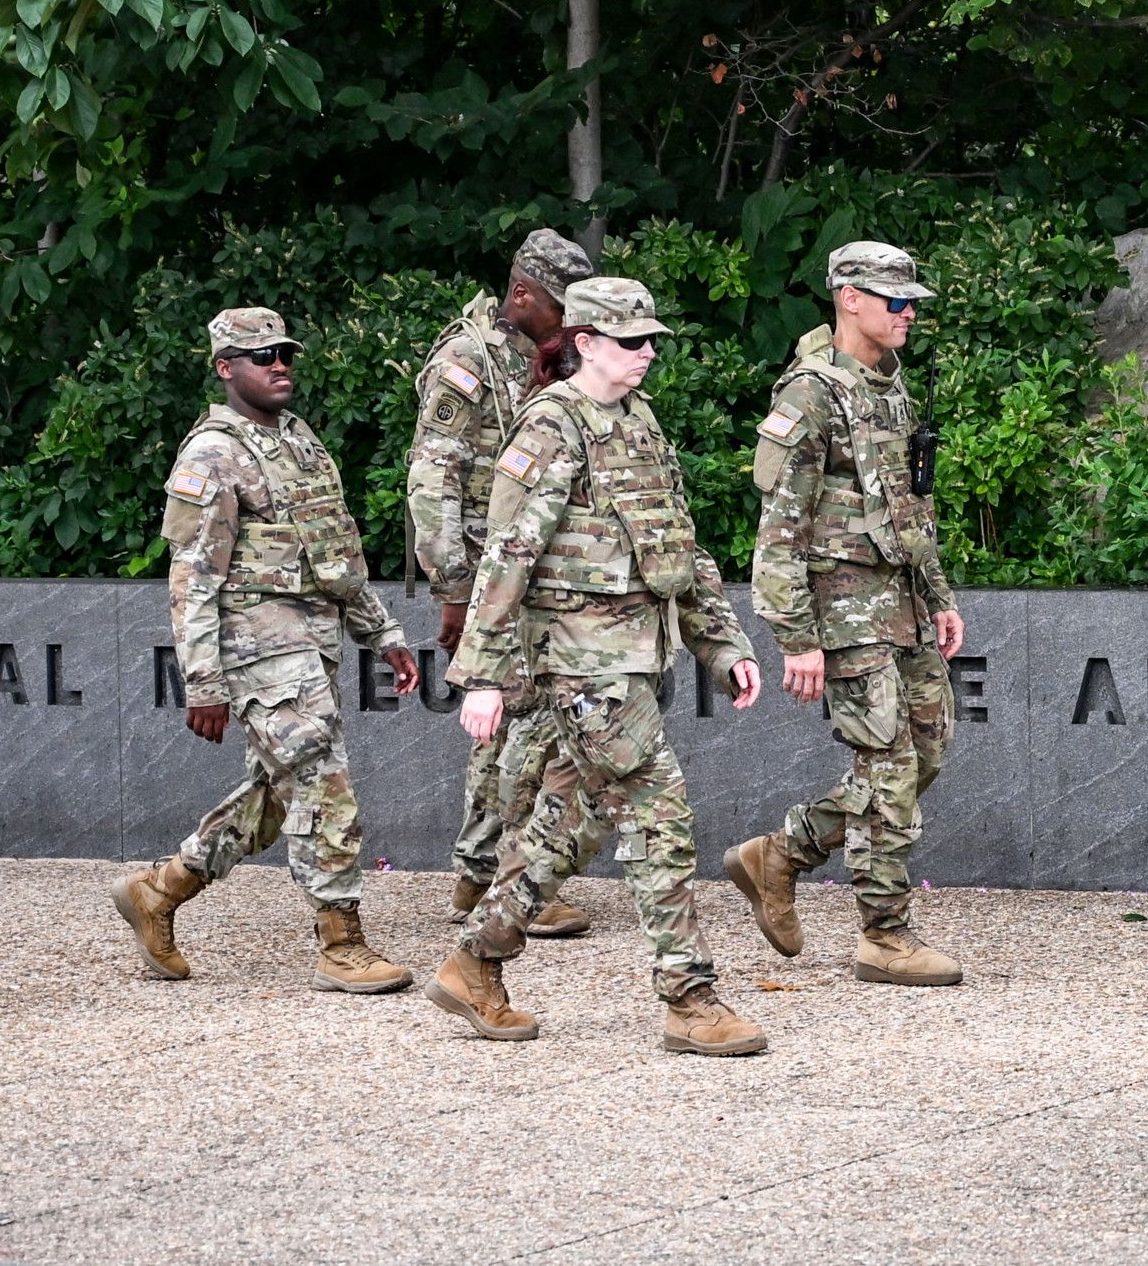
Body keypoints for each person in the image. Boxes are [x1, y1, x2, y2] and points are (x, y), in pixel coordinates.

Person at [424, 277, 770, 1056]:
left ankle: (474, 963)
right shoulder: (551, 428)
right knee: (660, 818)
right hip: (583, 668)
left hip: (634, 659)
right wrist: (480, 676)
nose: (647, 353)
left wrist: (722, 644)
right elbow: (507, 557)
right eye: (630, 341)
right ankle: (689, 995)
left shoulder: (638, 422)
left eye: (652, 340)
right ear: (583, 342)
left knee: (567, 826)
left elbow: (677, 546)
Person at [110, 307, 420, 993]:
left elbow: (334, 555)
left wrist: (383, 633)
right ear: (225, 369)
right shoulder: (213, 454)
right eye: (260, 357)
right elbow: (191, 576)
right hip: (257, 647)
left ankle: (161, 890)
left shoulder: (299, 442)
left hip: (314, 643)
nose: (279, 365)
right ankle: (341, 944)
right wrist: (203, 682)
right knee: (323, 782)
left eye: (284, 353)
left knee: (276, 799)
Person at [723, 241, 966, 986]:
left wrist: (938, 594)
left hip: (901, 601)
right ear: (848, 298)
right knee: (888, 762)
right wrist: (795, 636)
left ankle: (784, 853)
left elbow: (906, 504)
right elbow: (780, 527)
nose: (909, 312)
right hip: (843, 612)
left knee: (928, 748)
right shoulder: (810, 394)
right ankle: (883, 934)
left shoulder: (888, 383)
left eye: (913, 300)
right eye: (895, 300)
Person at [406, 228, 595, 938]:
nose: (572, 327)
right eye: (560, 309)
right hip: (492, 577)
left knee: (518, 725)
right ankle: (508, 882)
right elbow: (433, 483)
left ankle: (482, 874)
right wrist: (454, 590)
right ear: (523, 294)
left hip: (535, 576)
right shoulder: (469, 362)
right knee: (523, 729)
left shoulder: (541, 359)